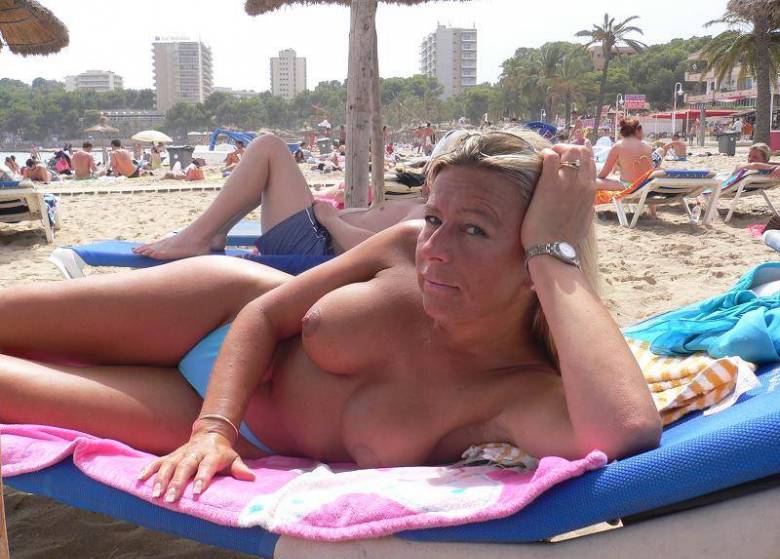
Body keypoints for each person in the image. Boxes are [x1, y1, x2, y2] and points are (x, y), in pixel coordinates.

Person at [0, 130, 661, 503]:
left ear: (534, 258)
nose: (435, 248)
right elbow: (264, 314)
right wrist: (212, 429)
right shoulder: (403, 247)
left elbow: (626, 431)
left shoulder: (517, 390)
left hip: (241, 428)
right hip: (216, 312)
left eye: (475, 230)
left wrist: (556, 254)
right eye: (435, 216)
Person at [133, 134, 426, 260]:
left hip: (317, 245)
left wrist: (332, 220)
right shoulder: (424, 206)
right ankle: (213, 234)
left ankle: (198, 236)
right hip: (318, 234)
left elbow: (384, 253)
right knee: (267, 155)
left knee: (268, 148)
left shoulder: (428, 214)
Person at [597, 119, 660, 216]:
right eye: (642, 131)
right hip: (646, 186)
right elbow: (649, 171)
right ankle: (653, 213)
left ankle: (590, 211)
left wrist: (599, 179)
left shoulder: (618, 146)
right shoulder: (647, 147)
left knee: (594, 182)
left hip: (628, 186)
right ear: (637, 131)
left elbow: (604, 173)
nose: (643, 133)